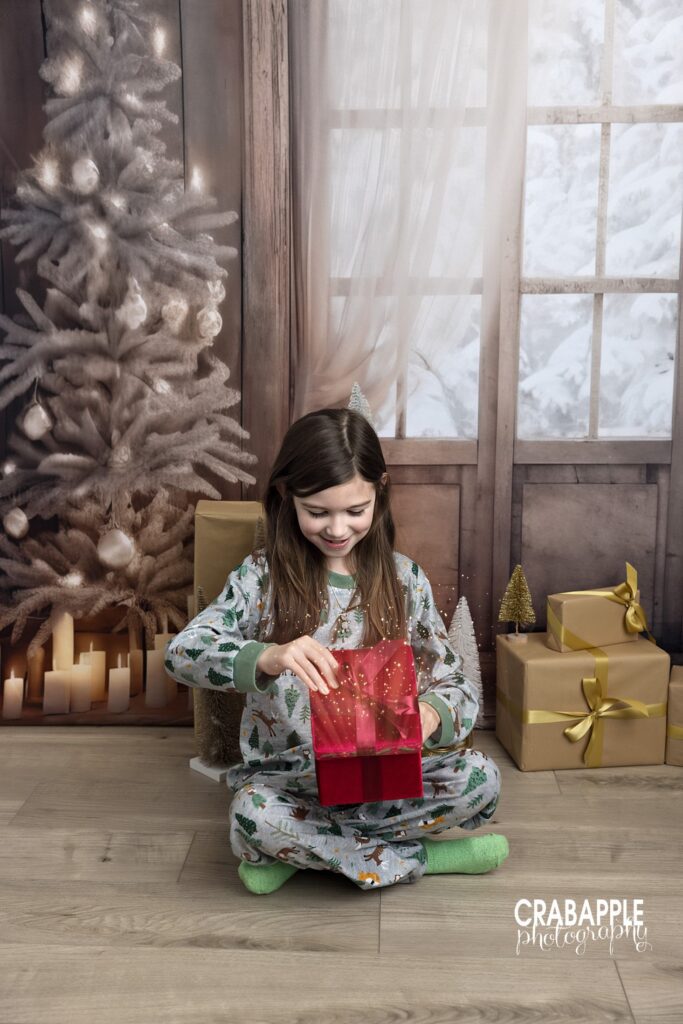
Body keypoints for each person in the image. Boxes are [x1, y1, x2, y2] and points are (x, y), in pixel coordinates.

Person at [165, 407, 509, 894]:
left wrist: (429, 716)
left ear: (379, 494)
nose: (337, 529)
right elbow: (181, 653)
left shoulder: (405, 580)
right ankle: (423, 859)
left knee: (481, 777)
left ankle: (306, 854)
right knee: (252, 815)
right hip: (292, 781)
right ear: (287, 497)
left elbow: (458, 688)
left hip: (385, 778)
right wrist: (267, 655)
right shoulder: (261, 578)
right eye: (317, 512)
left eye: (355, 510)